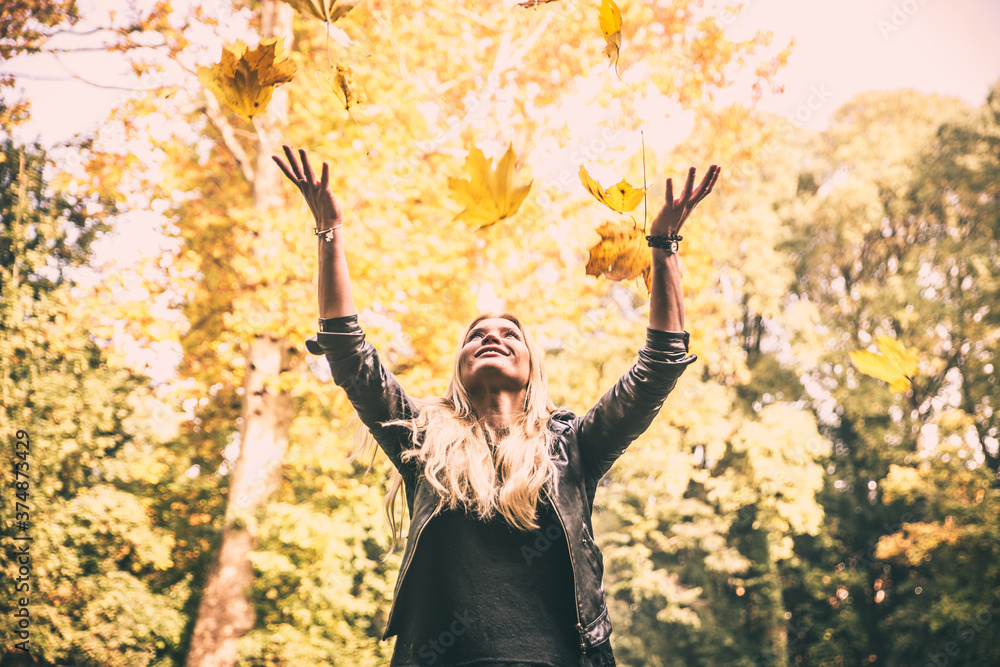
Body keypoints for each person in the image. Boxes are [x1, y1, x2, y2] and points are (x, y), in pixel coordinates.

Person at [274, 145, 720, 667]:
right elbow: (348, 352)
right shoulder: (421, 438)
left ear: (533, 366)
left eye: (511, 333)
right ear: (459, 369)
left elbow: (659, 365)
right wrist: (329, 231)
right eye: (476, 335)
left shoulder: (573, 447)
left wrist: (663, 245)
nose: (492, 337)